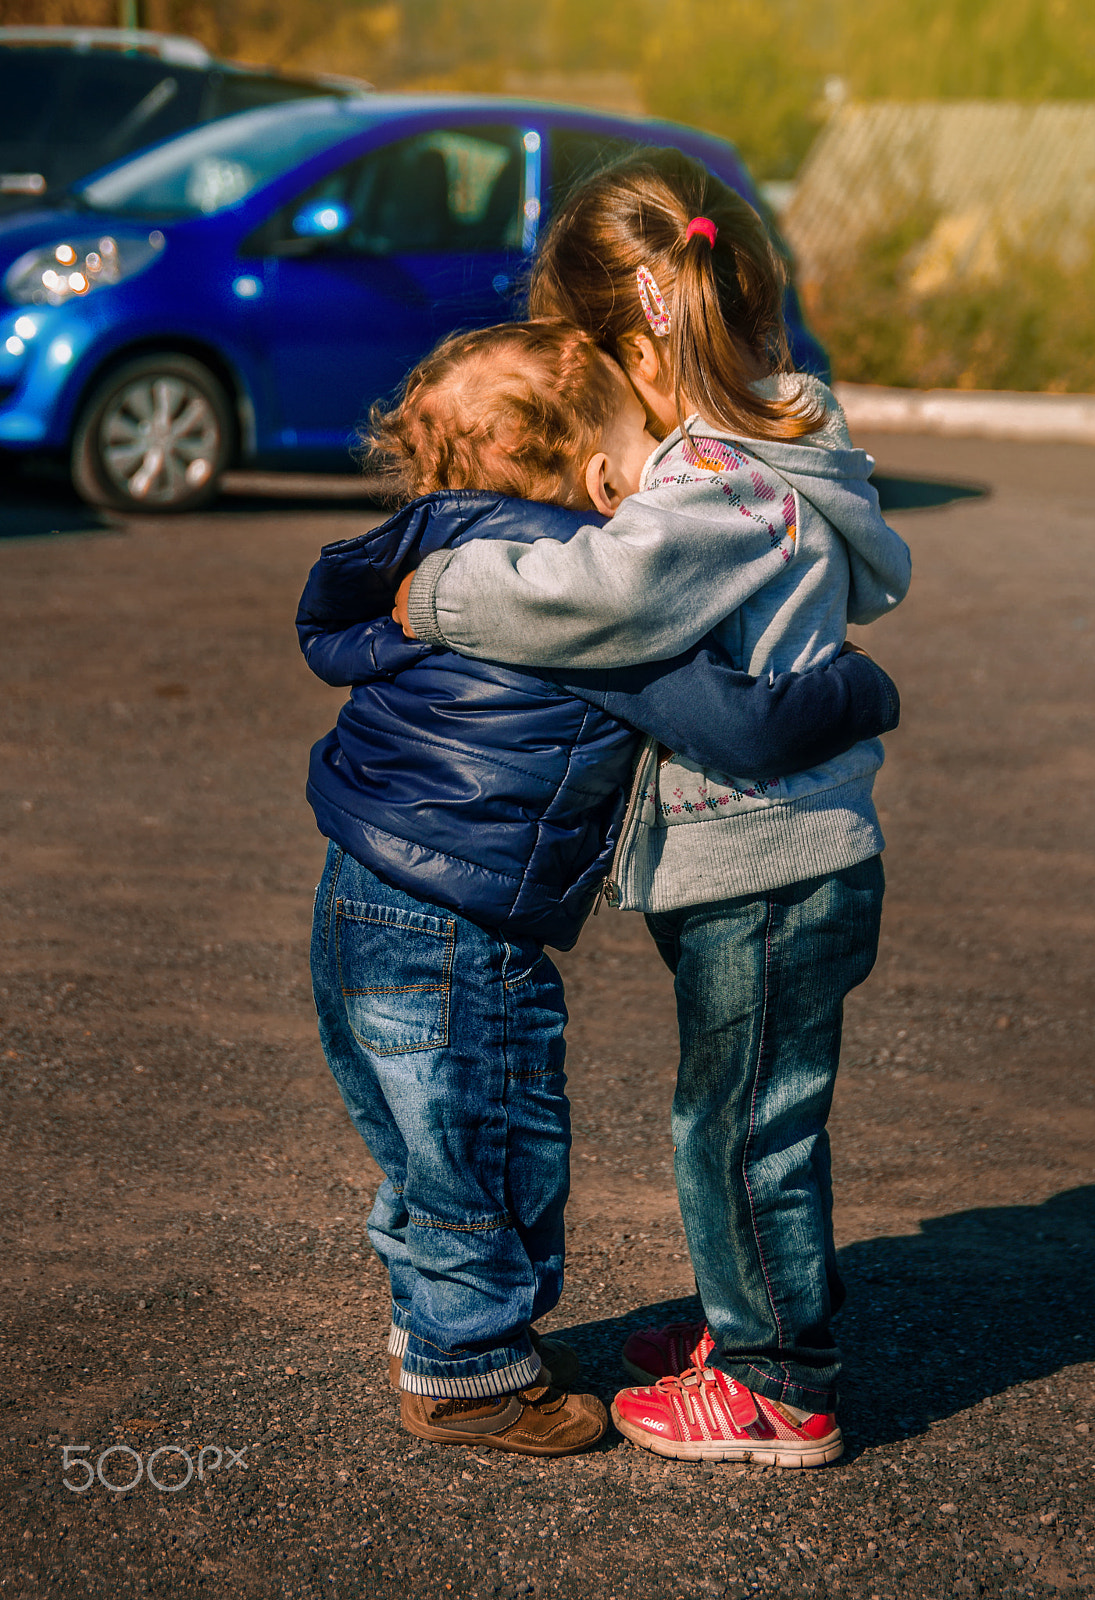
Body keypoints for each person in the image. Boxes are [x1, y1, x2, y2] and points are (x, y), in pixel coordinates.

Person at [299, 319, 902, 1458]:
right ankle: (469, 1372)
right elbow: (735, 721)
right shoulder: (571, 598)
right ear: (592, 476)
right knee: (486, 1143)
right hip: (456, 929)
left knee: (424, 1144)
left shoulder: (437, 560)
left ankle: (443, 1332)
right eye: (636, 456)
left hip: (359, 892)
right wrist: (863, 689)